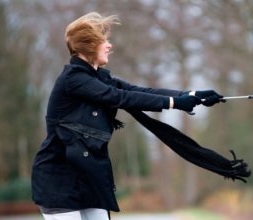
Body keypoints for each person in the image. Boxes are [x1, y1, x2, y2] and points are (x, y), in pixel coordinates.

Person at [31, 12, 224, 220]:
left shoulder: (99, 78)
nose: (109, 45)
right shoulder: (73, 79)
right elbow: (119, 97)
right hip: (59, 181)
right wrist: (174, 103)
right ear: (88, 45)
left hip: (89, 178)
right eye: (103, 41)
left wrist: (191, 95)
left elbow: (140, 91)